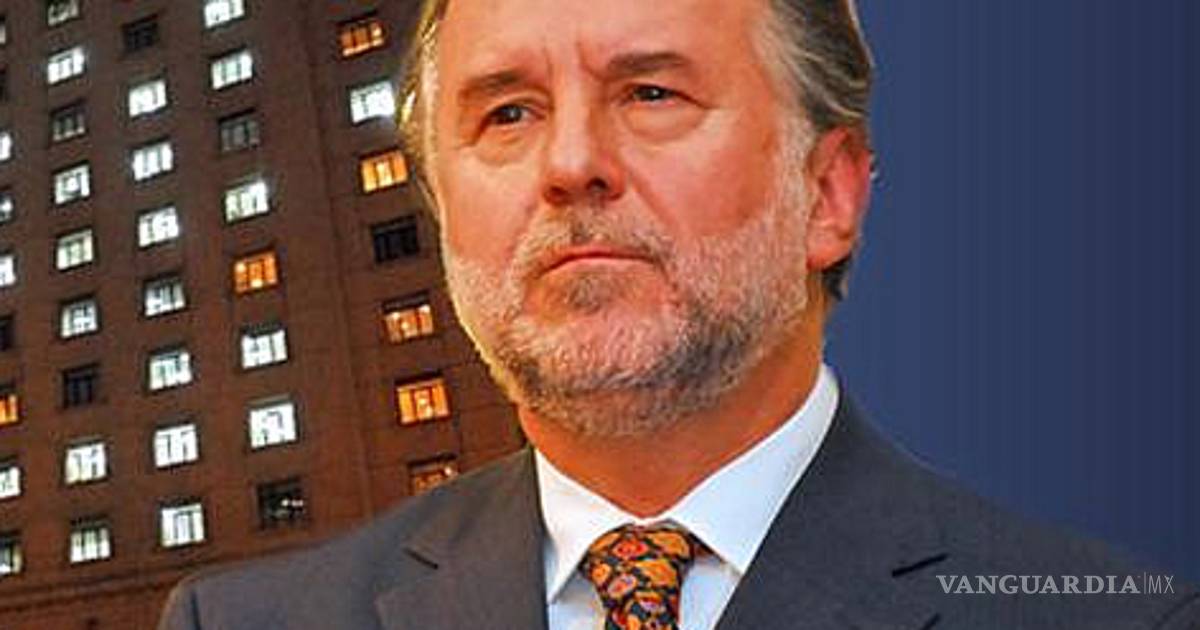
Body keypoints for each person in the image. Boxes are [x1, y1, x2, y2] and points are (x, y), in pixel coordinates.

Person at [159, 0, 1199, 628]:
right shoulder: (246, 622)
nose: (571, 164)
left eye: (652, 93)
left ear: (827, 194)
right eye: (507, 113)